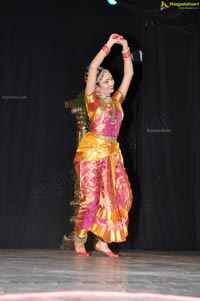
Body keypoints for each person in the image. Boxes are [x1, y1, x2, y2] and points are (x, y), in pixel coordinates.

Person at [73, 33, 134, 257]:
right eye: (107, 80)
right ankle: (80, 240)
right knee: (90, 199)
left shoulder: (117, 100)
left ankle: (102, 241)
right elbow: (93, 68)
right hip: (91, 153)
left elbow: (130, 73)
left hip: (112, 155)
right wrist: (109, 45)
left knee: (121, 195)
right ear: (97, 86)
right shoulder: (92, 100)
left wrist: (125, 48)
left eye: (111, 80)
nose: (112, 83)